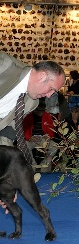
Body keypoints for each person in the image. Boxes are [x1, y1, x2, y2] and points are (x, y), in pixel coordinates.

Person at [0, 52, 65, 213]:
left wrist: (6, 183)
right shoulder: (4, 64)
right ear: (42, 75)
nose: (49, 95)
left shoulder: (31, 103)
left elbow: (7, 134)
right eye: (51, 89)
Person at [23, 100, 57, 170]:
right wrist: (29, 138)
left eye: (42, 111)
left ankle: (44, 165)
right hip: (31, 139)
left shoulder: (47, 116)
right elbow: (24, 130)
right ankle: (32, 165)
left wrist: (48, 137)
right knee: (24, 147)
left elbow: (51, 130)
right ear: (35, 109)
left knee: (54, 147)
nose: (41, 113)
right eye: (39, 110)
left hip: (44, 138)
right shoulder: (28, 116)